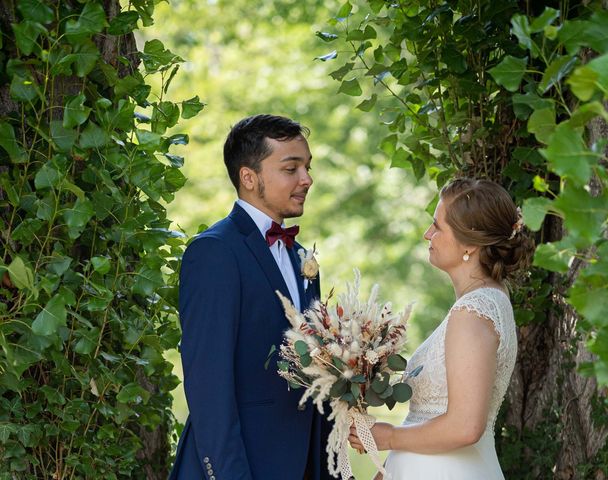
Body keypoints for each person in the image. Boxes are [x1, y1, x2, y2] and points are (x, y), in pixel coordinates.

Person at [170, 114, 332, 480]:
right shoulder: (214, 252)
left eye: (307, 167)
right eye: (291, 168)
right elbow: (208, 386)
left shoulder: (303, 257)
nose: (307, 179)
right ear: (249, 177)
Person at [349, 178, 534, 479]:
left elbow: (465, 426)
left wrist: (390, 437)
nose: (427, 235)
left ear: (471, 244)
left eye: (437, 226)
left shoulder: (472, 313)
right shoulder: (489, 300)